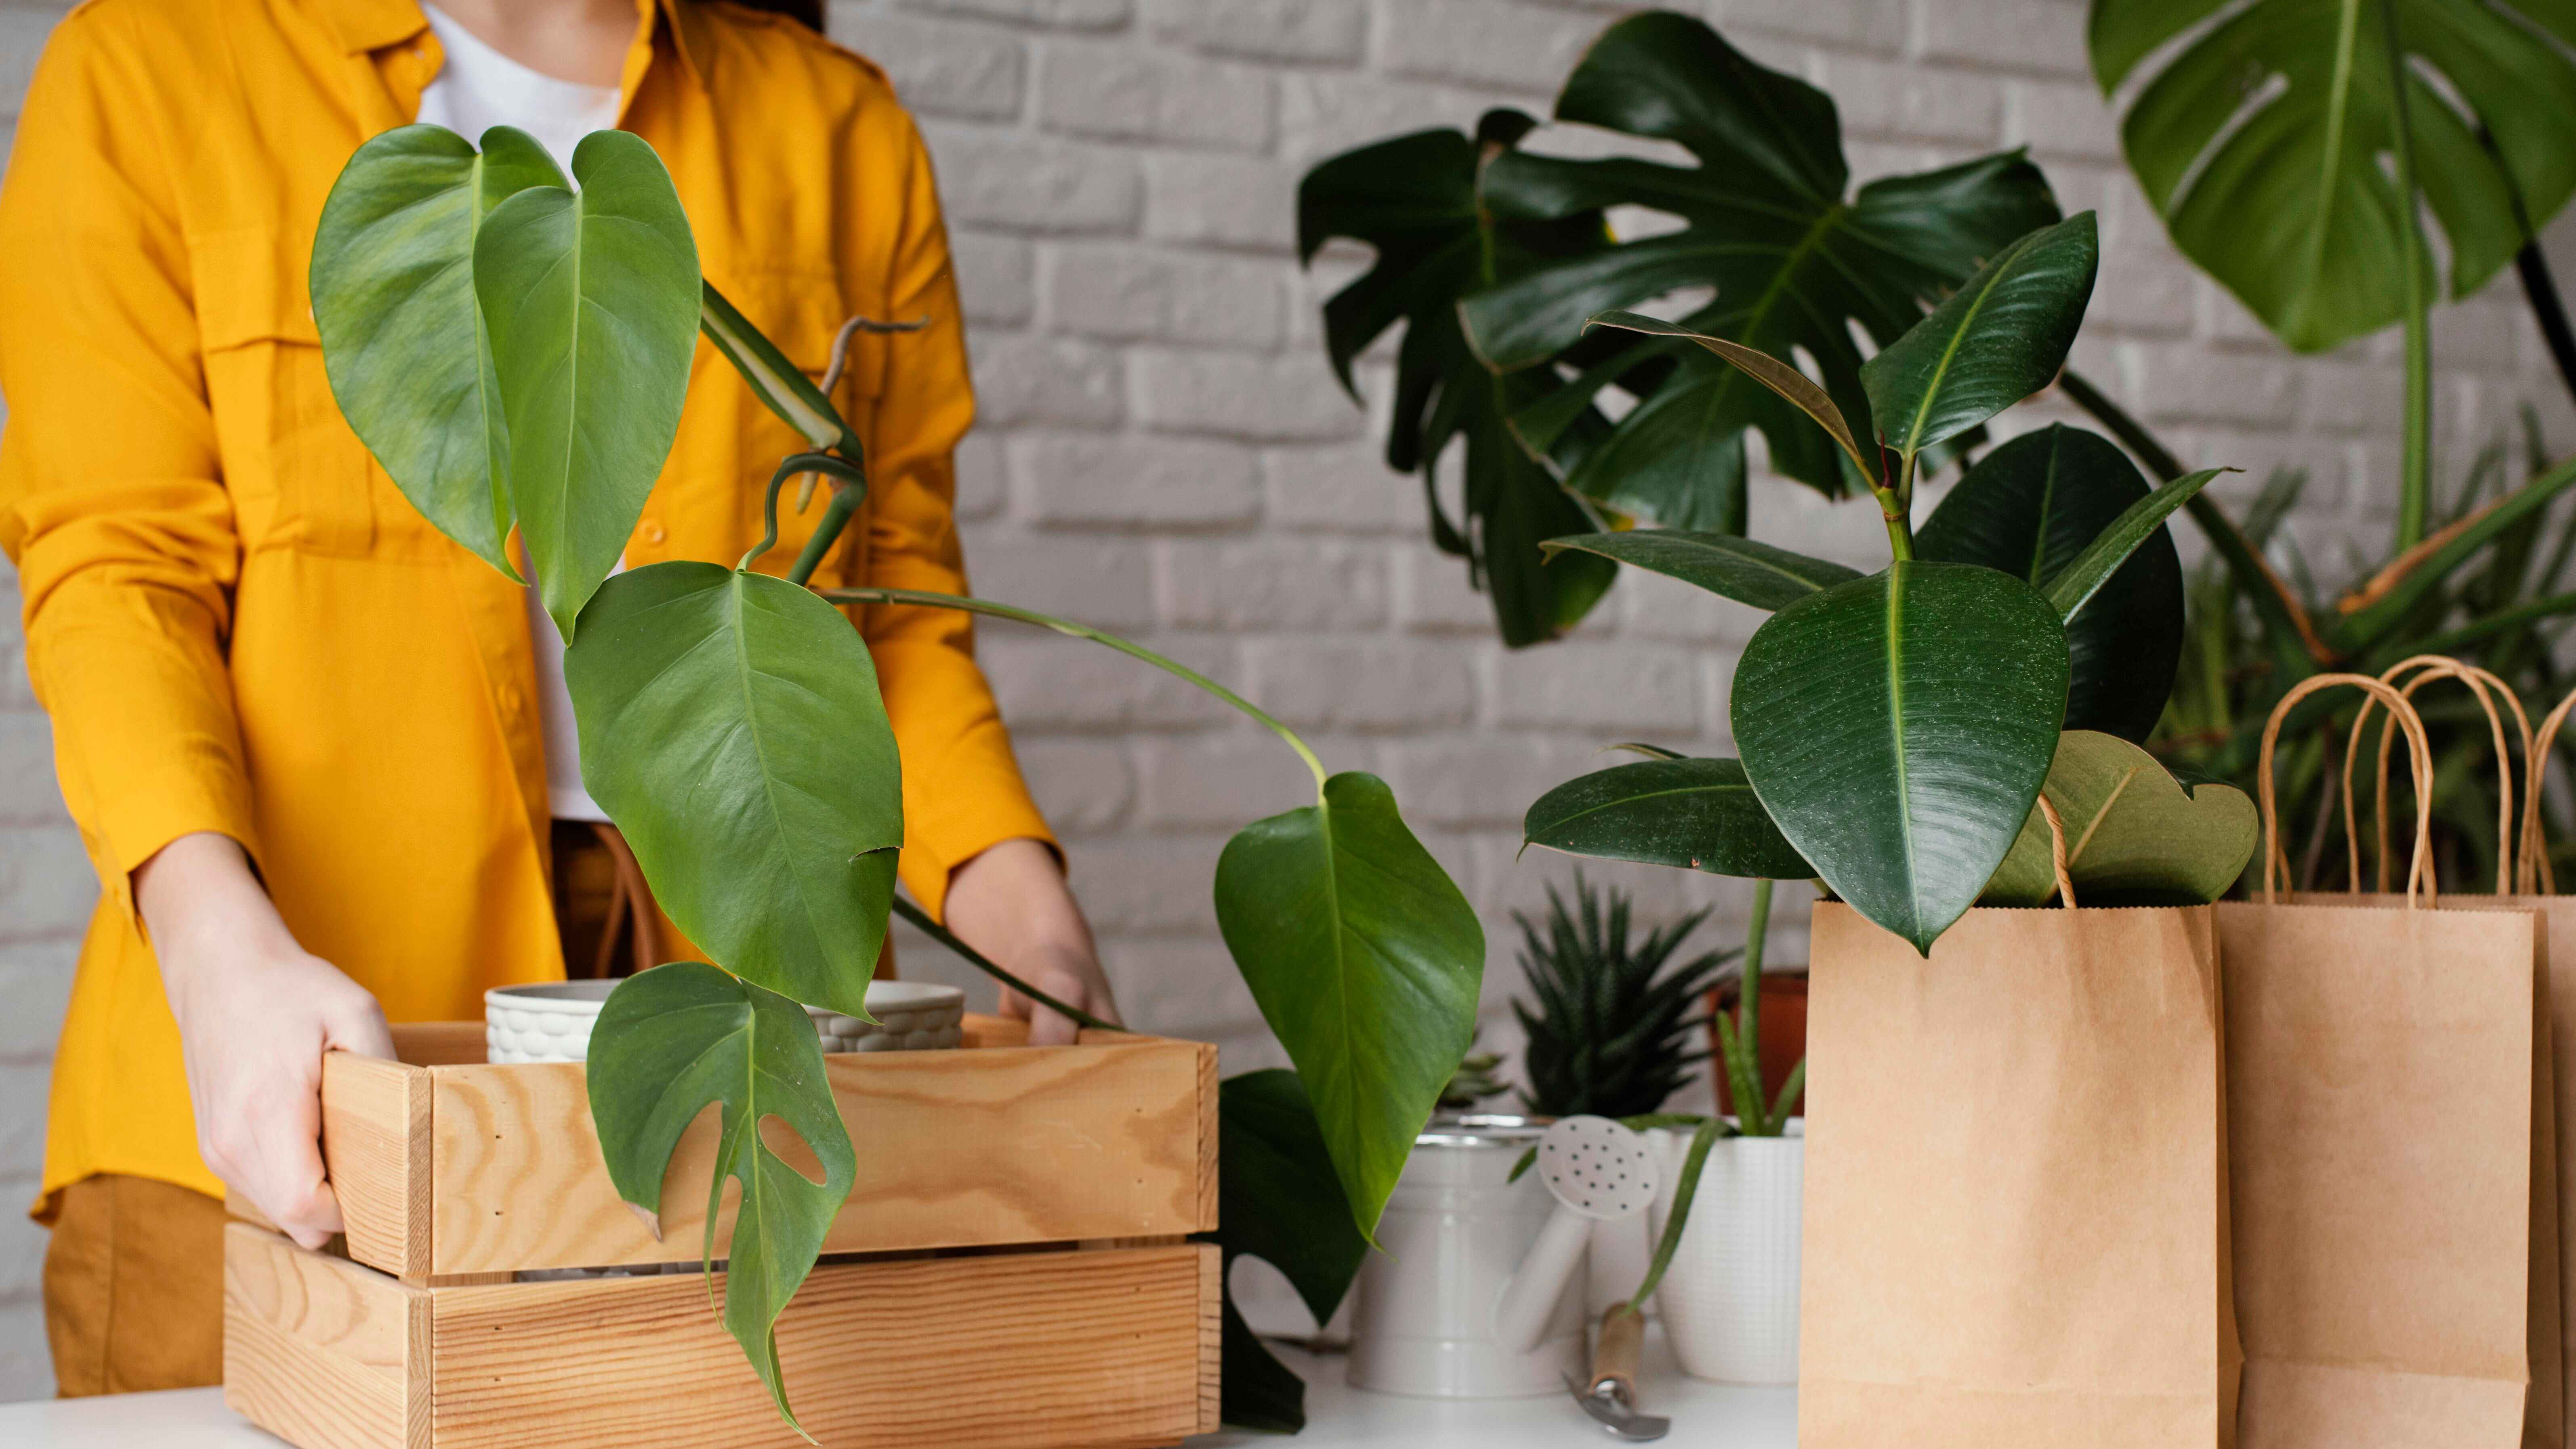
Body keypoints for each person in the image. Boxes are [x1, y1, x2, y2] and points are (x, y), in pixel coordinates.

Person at [0, 0, 1121, 1396]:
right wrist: (217, 948)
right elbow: (119, 571)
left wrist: (1013, 891)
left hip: (706, 1061)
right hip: (267, 1030)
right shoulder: (157, 68)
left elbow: (881, 605)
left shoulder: (837, 127)